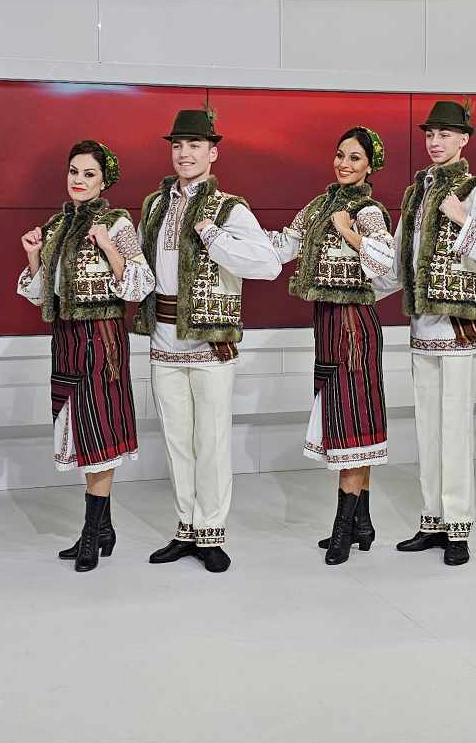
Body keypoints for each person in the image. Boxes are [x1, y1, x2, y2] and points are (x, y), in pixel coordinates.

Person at [133, 107, 280, 573]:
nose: (185, 153)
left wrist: (213, 237)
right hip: (164, 337)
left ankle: (211, 531)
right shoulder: (154, 206)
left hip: (210, 340)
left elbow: (267, 265)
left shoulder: (229, 208)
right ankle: (186, 527)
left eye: (195, 145)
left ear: (213, 153)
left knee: (211, 439)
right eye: (178, 145)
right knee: (176, 439)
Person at [376, 99, 476, 567]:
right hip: (422, 328)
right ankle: (432, 520)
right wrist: (358, 284)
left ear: (463, 140)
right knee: (428, 428)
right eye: (430, 134)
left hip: (458, 329)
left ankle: (458, 526)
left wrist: (464, 219)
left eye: (445, 134)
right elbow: (399, 262)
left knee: (455, 430)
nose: (435, 142)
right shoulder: (416, 194)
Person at [18, 140, 155, 572]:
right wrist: (34, 255)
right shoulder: (57, 225)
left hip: (101, 339)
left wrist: (109, 247)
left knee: (98, 432)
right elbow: (43, 294)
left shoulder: (118, 222)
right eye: (73, 171)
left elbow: (140, 284)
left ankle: (92, 535)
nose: (78, 180)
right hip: (65, 339)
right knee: (79, 431)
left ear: (104, 180)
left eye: (89, 173)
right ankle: (104, 529)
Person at [269, 126, 396, 565]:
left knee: (351, 423)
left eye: (355, 157)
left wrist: (349, 232)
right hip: (326, 321)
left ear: (370, 166)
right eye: (340, 154)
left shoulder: (370, 211)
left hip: (354, 324)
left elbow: (384, 261)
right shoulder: (319, 205)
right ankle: (363, 523)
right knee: (343, 418)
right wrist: (236, 236)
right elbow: (285, 245)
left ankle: (344, 528)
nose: (344, 163)